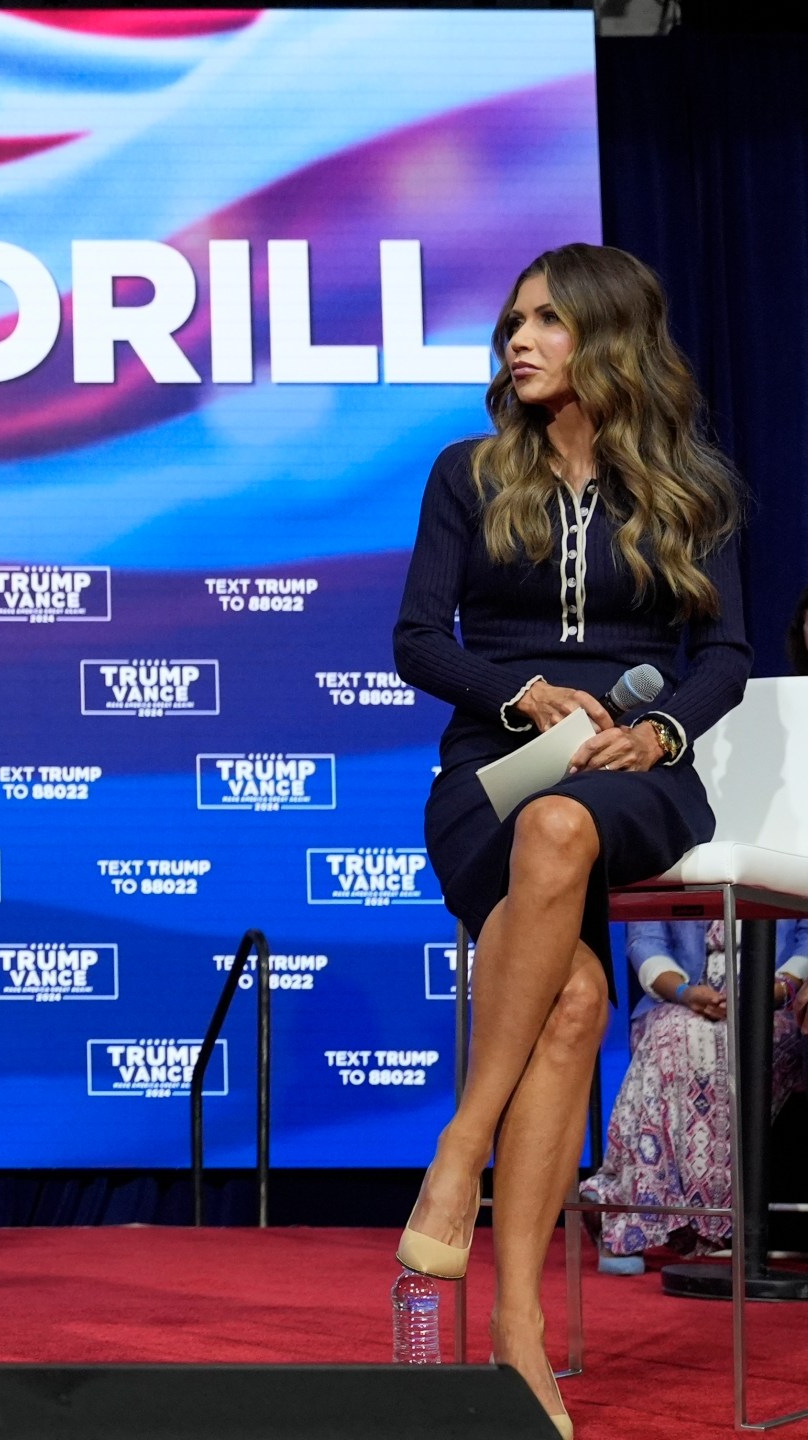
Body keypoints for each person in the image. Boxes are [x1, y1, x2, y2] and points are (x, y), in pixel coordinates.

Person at [393, 243, 749, 1440]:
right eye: (511, 323)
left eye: (546, 320)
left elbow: (726, 663)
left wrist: (651, 735)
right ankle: (517, 1341)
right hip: (491, 769)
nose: (519, 341)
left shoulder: (690, 486)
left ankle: (459, 1150)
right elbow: (417, 642)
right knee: (572, 1005)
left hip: (634, 777)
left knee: (565, 824)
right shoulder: (466, 472)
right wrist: (522, 697)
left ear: (607, 335)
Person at [579, 920, 808, 1273]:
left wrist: (768, 992)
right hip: (681, 1002)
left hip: (774, 1008)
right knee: (671, 1030)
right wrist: (685, 992)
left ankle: (616, 1206)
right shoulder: (669, 862)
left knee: (710, 1041)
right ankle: (638, 1219)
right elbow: (645, 940)